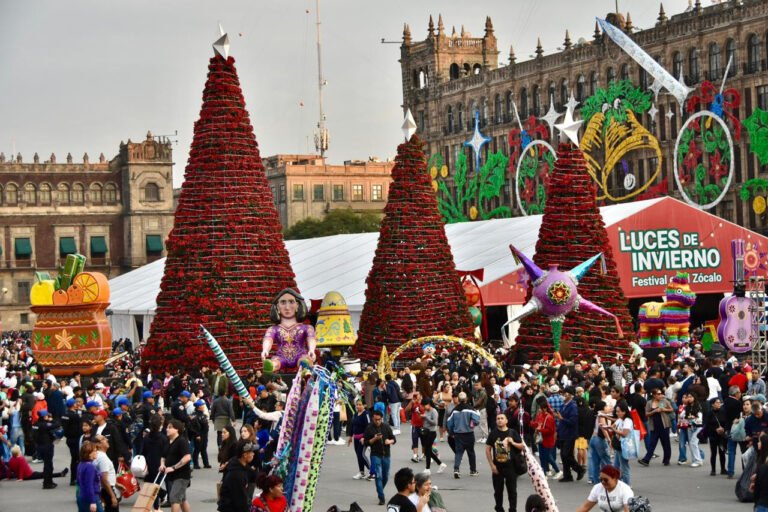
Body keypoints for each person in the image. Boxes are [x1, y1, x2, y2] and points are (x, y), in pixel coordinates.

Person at [260, 288, 317, 373]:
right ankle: (272, 366)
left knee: (304, 361)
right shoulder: (273, 329)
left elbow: (311, 338)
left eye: (291, 302)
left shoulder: (307, 328)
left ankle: (304, 366)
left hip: (301, 356)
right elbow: (268, 339)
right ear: (277, 306)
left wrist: (312, 349)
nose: (287, 307)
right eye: (283, 302)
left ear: (298, 305)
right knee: (275, 362)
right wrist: (265, 350)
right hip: (280, 358)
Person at [486, 411, 523, 512]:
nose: (500, 420)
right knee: (498, 491)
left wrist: (512, 442)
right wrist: (492, 465)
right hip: (497, 466)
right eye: (498, 419)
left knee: (512, 491)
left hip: (511, 466)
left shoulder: (512, 432)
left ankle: (512, 509)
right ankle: (499, 508)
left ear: (506, 421)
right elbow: (488, 449)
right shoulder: (493, 433)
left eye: (502, 418)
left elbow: (522, 446)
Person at [364, 408, 396, 505]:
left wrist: (389, 441)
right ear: (373, 419)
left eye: (379, 419)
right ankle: (381, 497)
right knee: (378, 476)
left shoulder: (386, 427)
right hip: (375, 455)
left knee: (385, 476)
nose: (377, 421)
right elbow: (366, 442)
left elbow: (394, 439)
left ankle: (380, 489)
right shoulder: (369, 428)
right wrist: (374, 438)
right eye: (375, 419)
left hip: (386, 455)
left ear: (382, 418)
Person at [446, 391, 481, 479]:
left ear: (458, 399)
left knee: (459, 452)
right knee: (471, 452)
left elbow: (449, 422)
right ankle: (473, 470)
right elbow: (477, 420)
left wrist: (451, 432)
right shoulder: (470, 409)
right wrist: (472, 424)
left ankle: (456, 469)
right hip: (469, 433)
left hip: (458, 434)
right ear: (466, 399)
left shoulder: (455, 410)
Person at [160, 419, 192, 512]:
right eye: (167, 427)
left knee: (174, 499)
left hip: (181, 476)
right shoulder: (167, 441)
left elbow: (187, 457)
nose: (167, 429)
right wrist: (162, 464)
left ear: (177, 429)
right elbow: (163, 456)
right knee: (182, 499)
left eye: (170, 427)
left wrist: (173, 467)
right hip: (171, 476)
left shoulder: (182, 441)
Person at [638, 388, 674, 467]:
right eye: (658, 394)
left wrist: (664, 409)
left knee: (666, 443)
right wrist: (654, 411)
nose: (660, 395)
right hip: (654, 426)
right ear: (654, 395)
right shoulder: (649, 403)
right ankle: (646, 460)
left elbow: (671, 409)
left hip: (664, 425)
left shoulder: (664, 401)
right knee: (652, 443)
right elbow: (646, 414)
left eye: (661, 393)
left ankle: (666, 460)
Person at [218, 439, 256, 512]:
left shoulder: (238, 463)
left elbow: (253, 475)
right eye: (251, 452)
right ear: (245, 455)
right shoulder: (237, 474)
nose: (253, 454)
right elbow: (240, 501)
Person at [555, 387, 584, 482]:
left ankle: (579, 469)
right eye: (564, 393)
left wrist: (562, 418)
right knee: (565, 455)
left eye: (566, 393)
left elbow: (573, 421)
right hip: (563, 433)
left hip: (570, 434)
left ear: (571, 395)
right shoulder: (564, 405)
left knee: (565, 454)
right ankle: (567, 475)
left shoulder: (573, 406)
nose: (564, 395)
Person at [142, 414, 169, 512]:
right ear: (160, 424)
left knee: (149, 486)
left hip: (148, 464)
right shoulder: (163, 438)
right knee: (156, 486)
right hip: (159, 465)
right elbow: (166, 453)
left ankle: (151, 507)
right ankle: (156, 507)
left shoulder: (146, 437)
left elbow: (143, 452)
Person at [30, 408, 61, 489]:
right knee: (48, 465)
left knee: (47, 465)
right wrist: (52, 420)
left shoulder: (36, 424)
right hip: (47, 446)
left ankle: (49, 481)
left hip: (39, 446)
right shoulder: (44, 425)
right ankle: (47, 483)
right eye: (47, 415)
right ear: (44, 417)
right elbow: (57, 424)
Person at [531, 395, 560, 480]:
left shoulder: (549, 417)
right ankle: (544, 473)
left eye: (540, 408)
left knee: (548, 456)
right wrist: (533, 424)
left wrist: (540, 430)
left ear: (544, 408)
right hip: (541, 439)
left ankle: (558, 470)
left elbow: (550, 430)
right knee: (542, 457)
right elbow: (537, 423)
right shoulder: (540, 415)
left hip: (547, 439)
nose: (539, 410)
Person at [349, 399, 374, 480]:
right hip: (356, 438)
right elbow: (352, 425)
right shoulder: (355, 414)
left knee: (361, 455)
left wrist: (364, 437)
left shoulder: (366, 414)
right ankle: (361, 472)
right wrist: (350, 436)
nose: (358, 406)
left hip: (363, 439)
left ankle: (372, 472)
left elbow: (369, 426)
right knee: (358, 456)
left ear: (364, 406)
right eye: (357, 405)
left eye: (360, 405)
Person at [93, 435, 119, 512]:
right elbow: (104, 479)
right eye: (103, 439)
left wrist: (116, 484)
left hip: (104, 489)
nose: (107, 440)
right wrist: (112, 496)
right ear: (98, 444)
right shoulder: (102, 458)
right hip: (107, 490)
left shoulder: (99, 455)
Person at [420, 398, 446, 473]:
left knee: (428, 450)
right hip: (425, 431)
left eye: (424, 405)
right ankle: (440, 464)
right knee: (428, 450)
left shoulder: (434, 411)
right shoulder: (426, 411)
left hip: (431, 432)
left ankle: (428, 468)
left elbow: (435, 422)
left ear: (429, 404)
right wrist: (422, 417)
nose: (424, 407)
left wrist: (426, 417)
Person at [76, 441, 103, 512]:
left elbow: (79, 481)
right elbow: (89, 485)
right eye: (94, 450)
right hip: (91, 497)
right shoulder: (90, 466)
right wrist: (93, 502)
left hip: (82, 495)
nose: (97, 452)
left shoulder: (81, 464)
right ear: (89, 454)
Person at [611, 402, 633, 485]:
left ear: (624, 412)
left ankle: (627, 484)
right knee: (616, 465)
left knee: (624, 466)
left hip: (624, 446)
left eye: (619, 411)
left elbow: (624, 434)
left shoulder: (627, 421)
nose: (617, 413)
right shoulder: (620, 420)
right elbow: (613, 426)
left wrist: (614, 430)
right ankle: (618, 483)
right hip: (619, 445)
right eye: (616, 411)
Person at [705, 397, 728, 476]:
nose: (719, 404)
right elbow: (707, 425)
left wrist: (723, 428)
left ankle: (723, 469)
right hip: (713, 435)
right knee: (713, 453)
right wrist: (715, 429)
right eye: (717, 402)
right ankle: (713, 469)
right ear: (712, 404)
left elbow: (726, 422)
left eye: (719, 402)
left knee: (722, 452)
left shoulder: (723, 412)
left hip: (721, 436)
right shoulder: (709, 413)